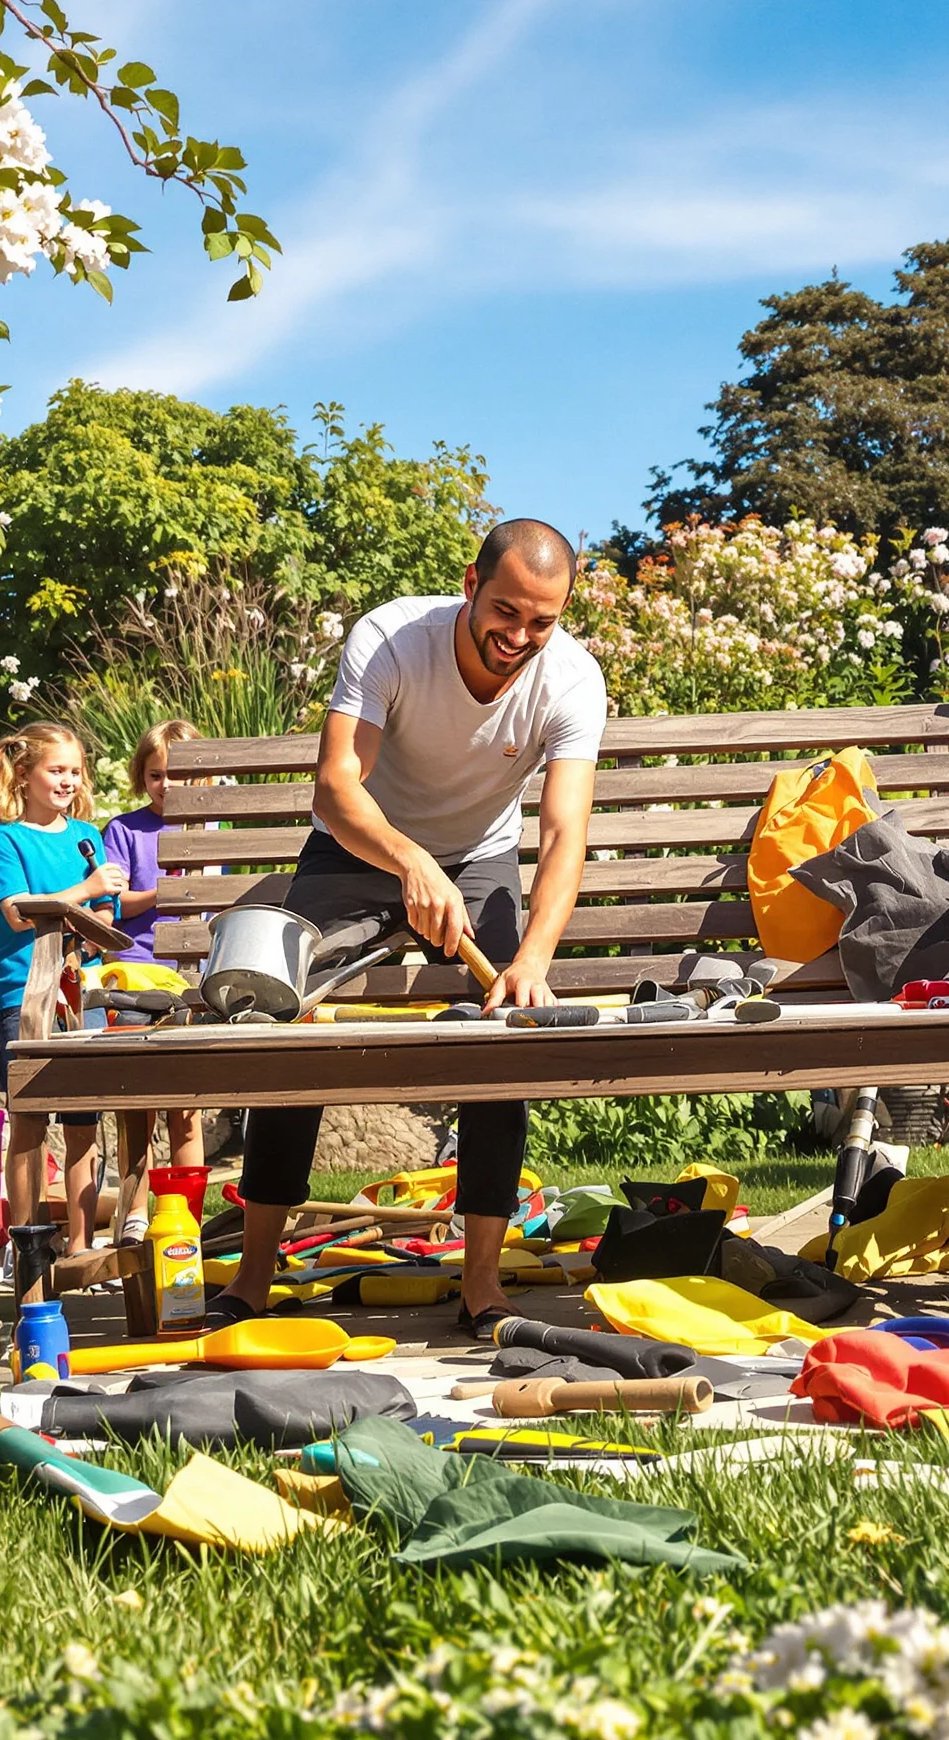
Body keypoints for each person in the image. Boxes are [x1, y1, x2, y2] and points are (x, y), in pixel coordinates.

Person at [218, 519, 605, 1335]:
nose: (520, 636)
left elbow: (565, 831)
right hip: (362, 842)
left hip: (481, 856)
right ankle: (252, 1279)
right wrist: (408, 862)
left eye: (543, 621)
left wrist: (532, 957)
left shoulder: (572, 680)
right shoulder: (392, 637)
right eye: (506, 612)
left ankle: (482, 1284)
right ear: (470, 585)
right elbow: (335, 787)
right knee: (293, 1025)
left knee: (506, 1035)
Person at [0, 720, 126, 1251]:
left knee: (82, 1120)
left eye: (75, 771)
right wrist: (85, 890)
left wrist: (95, 918)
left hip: (77, 992)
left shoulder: (88, 837)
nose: (69, 781)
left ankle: (81, 1244)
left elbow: (104, 920)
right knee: (30, 1117)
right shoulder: (6, 839)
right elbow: (17, 914)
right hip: (24, 991)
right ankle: (28, 1242)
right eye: (56, 770)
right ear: (23, 775)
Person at [101, 718, 205, 1171]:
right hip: (136, 969)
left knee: (186, 1107)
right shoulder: (125, 830)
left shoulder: (212, 830)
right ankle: (136, 1210)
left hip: (189, 976)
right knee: (136, 1103)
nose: (166, 784)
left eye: (177, 774)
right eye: (155, 775)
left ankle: (188, 1208)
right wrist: (165, 892)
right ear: (141, 777)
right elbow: (115, 903)